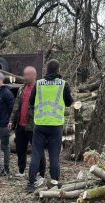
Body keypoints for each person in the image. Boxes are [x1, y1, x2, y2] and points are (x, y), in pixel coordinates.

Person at [27, 59, 74, 193]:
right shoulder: (63, 84)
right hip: (56, 126)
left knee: (36, 155)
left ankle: (31, 184)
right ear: (58, 70)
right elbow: (69, 102)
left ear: (46, 69)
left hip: (40, 125)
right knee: (54, 156)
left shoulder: (39, 84)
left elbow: (31, 102)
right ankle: (54, 183)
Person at [9, 66, 46, 182]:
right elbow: (16, 106)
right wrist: (11, 120)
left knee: (37, 150)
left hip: (34, 125)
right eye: (25, 74)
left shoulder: (40, 89)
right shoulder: (21, 89)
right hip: (21, 125)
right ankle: (21, 170)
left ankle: (41, 173)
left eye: (28, 75)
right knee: (20, 149)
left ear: (34, 76)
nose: (25, 77)